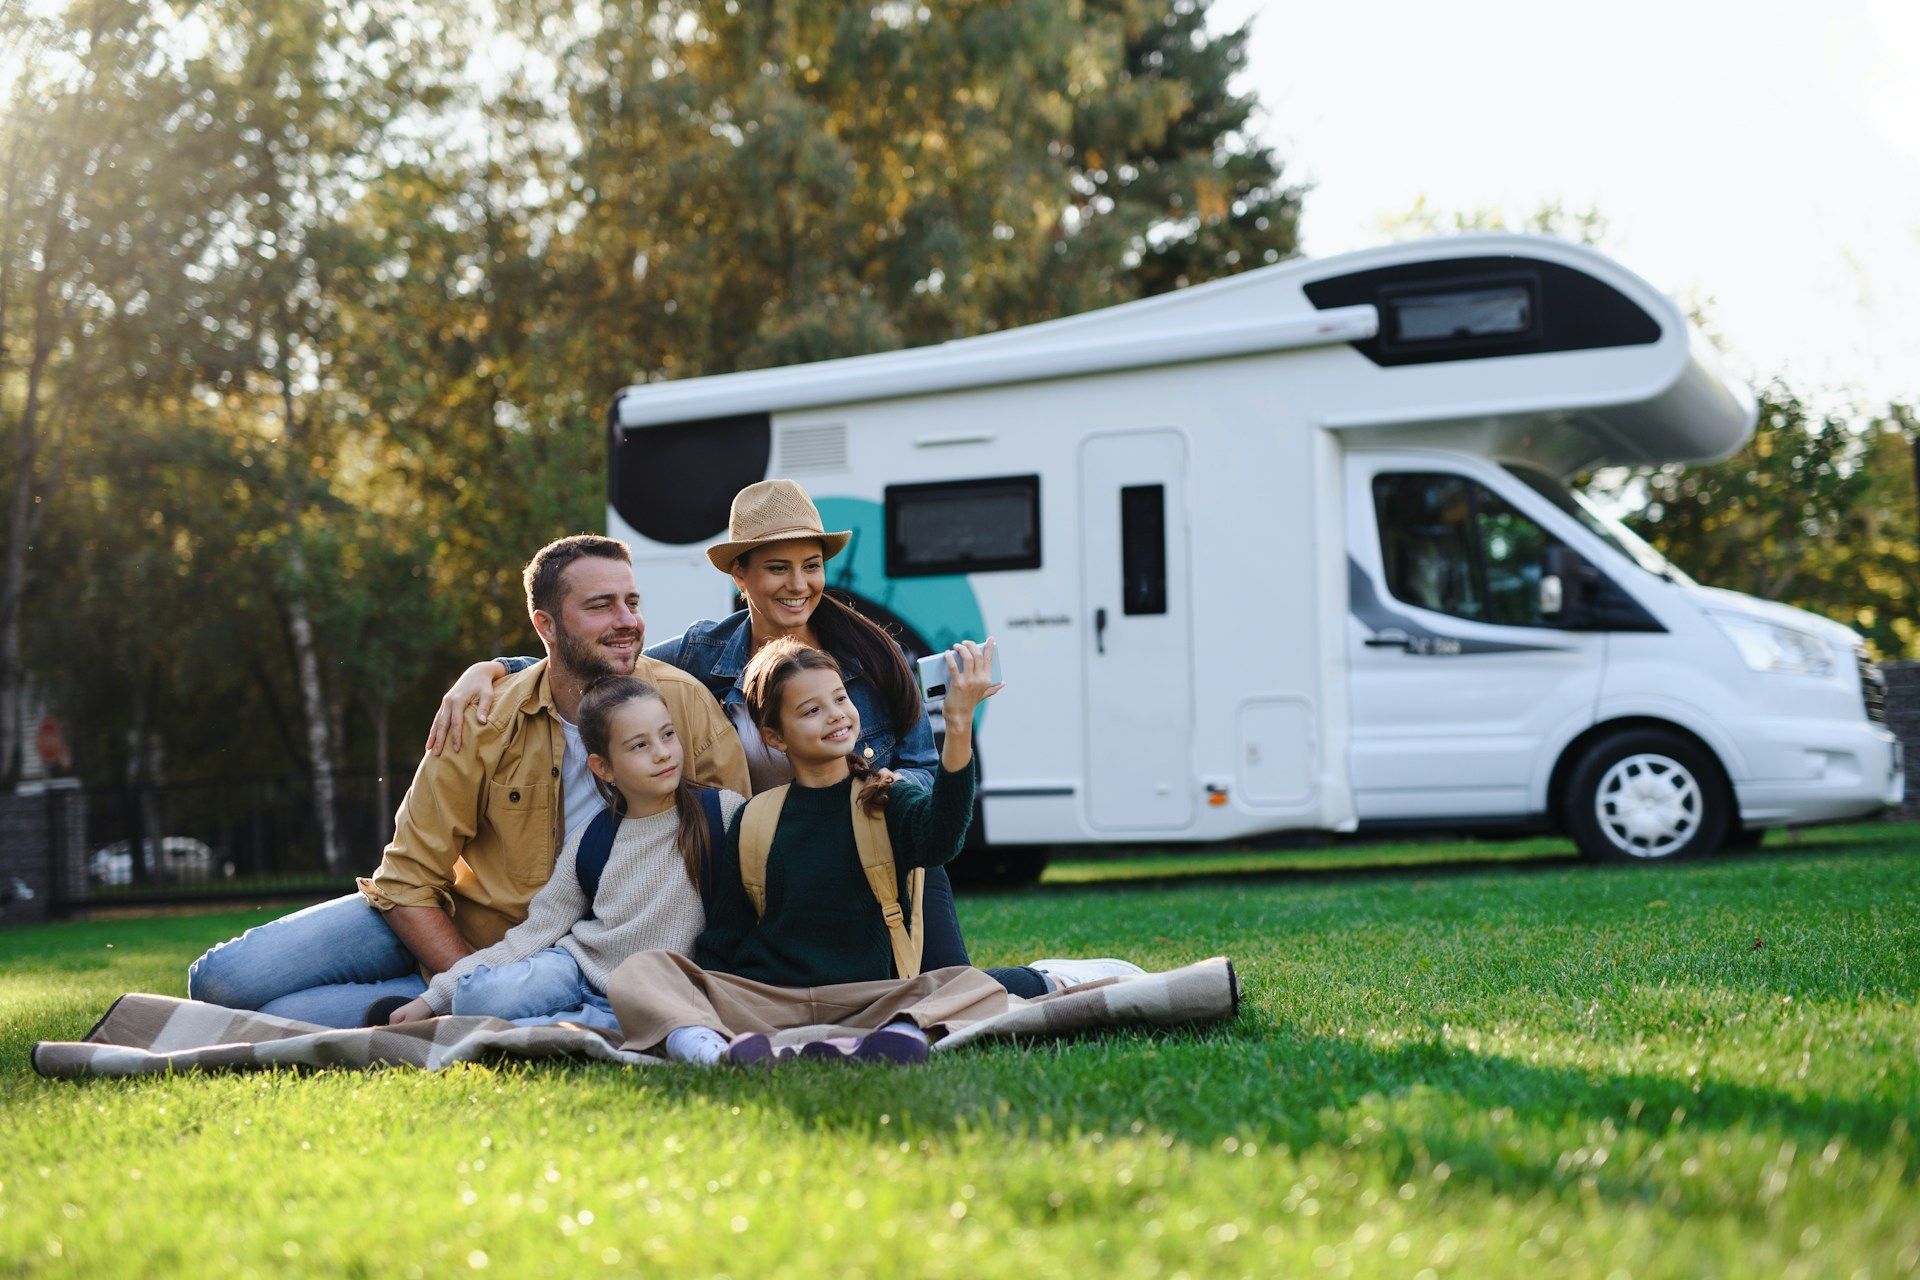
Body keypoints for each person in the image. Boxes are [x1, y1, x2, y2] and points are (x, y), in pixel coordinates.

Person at [428, 480, 1139, 997]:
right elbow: (608, 664)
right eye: (776, 567)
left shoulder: (869, 659)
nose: (798, 585)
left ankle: (1058, 979)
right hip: (762, 856)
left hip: (872, 844)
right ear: (740, 575)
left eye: (811, 565)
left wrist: (881, 798)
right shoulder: (703, 655)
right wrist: (492, 669)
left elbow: (921, 767)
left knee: (945, 992)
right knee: (791, 996)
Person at [184, 535, 751, 1028]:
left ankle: (415, 1003)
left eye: (631, 602)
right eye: (601, 606)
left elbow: (737, 853)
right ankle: (427, 998)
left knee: (272, 1018)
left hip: (562, 961)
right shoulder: (483, 715)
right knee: (220, 984)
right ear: (545, 626)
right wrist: (462, 984)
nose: (627, 621)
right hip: (458, 929)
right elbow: (407, 877)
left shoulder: (682, 704)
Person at [612, 636, 1010, 1067]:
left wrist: (958, 724)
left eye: (840, 698)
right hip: (770, 1000)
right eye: (811, 710)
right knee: (641, 973)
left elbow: (944, 836)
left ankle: (900, 1034)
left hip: (871, 999)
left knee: (971, 986)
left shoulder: (886, 796)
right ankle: (714, 1053)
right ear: (775, 736)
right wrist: (700, 993)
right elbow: (725, 936)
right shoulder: (755, 817)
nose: (836, 714)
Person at [378, 675, 748, 1032]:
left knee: (638, 1015)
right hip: (576, 969)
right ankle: (563, 1020)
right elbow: (533, 934)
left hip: (654, 986)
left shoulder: (722, 814)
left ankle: (570, 1024)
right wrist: (433, 998)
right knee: (478, 996)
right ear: (603, 768)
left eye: (667, 735)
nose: (662, 753)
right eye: (639, 745)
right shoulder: (593, 840)